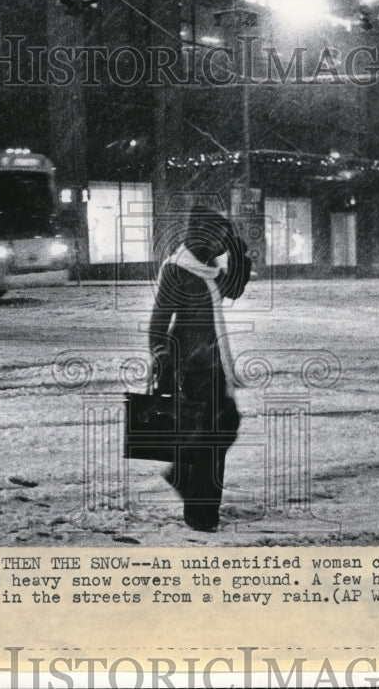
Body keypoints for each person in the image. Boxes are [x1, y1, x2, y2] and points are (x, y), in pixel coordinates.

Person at [147, 207, 252, 532]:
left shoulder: (207, 269)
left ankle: (183, 474)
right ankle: (202, 514)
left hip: (215, 364)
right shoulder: (177, 270)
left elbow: (233, 288)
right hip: (192, 368)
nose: (222, 241)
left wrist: (237, 250)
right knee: (212, 440)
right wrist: (163, 355)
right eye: (219, 234)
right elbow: (158, 324)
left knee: (224, 427)